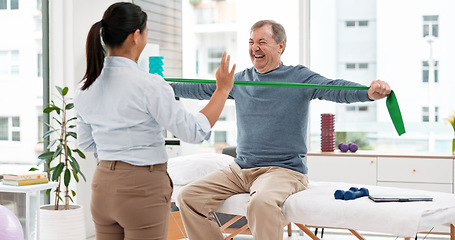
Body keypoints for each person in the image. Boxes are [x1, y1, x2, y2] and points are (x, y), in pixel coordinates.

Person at [173, 20, 391, 240]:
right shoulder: (240, 81)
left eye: (262, 42)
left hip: (283, 170)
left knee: (260, 203)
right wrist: (162, 85)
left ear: (280, 46)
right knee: (188, 197)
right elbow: (200, 88)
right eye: (251, 42)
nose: (254, 47)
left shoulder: (299, 77)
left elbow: (334, 88)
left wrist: (368, 93)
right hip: (241, 169)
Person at [73, 2, 236, 240]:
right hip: (142, 189)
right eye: (146, 31)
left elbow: (86, 144)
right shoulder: (150, 85)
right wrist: (221, 91)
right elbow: (193, 131)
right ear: (136, 36)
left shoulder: (84, 87)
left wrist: (115, 156)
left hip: (103, 186)